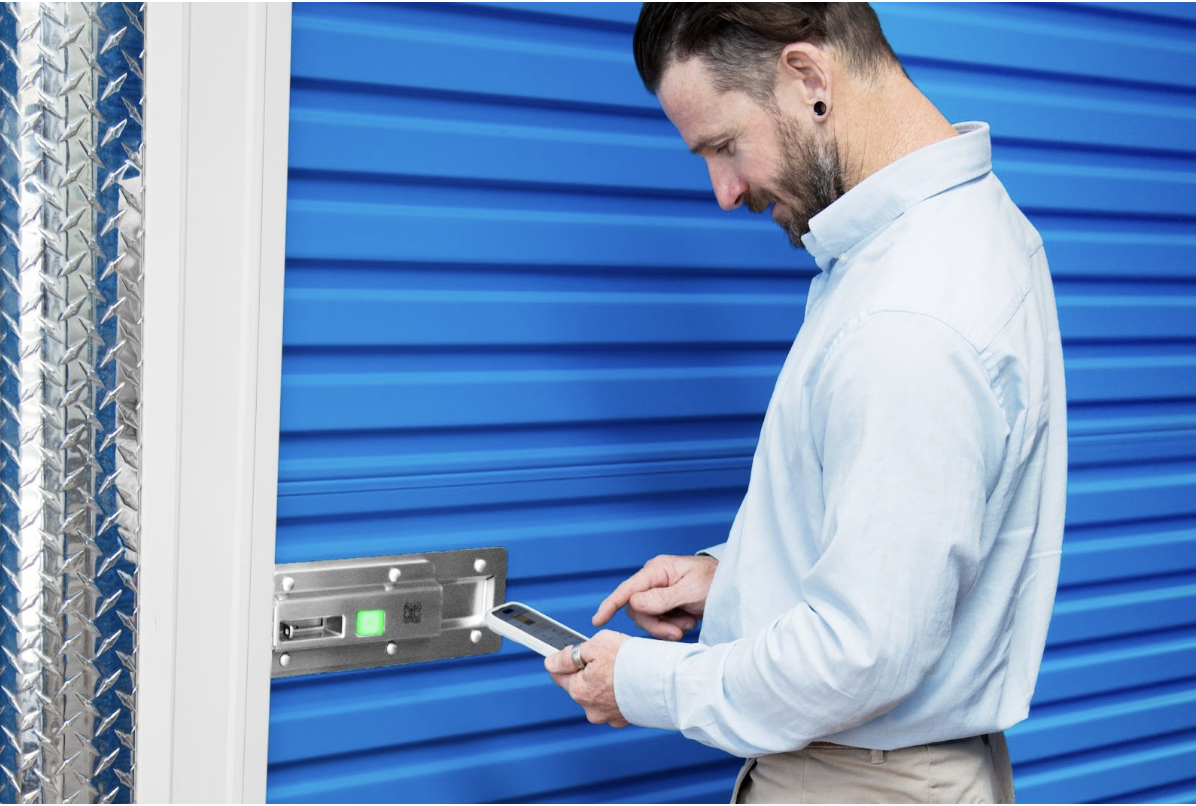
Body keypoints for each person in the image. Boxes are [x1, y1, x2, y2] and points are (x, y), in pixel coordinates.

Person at [544, 4, 1067, 803]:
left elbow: (861, 655)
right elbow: (909, 556)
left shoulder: (907, 314)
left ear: (809, 79)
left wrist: (645, 682)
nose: (724, 191)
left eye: (724, 144)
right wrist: (737, 579)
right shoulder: (949, 237)